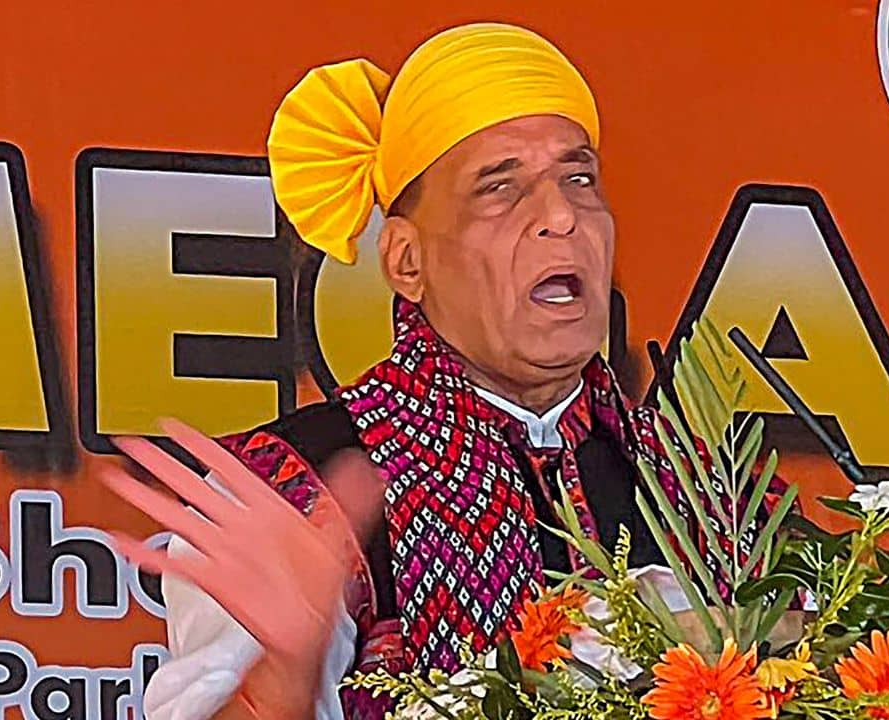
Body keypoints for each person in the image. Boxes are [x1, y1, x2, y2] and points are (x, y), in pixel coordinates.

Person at [101, 22, 780, 720]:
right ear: (406, 260)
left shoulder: (710, 490)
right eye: (500, 187)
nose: (561, 215)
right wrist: (279, 682)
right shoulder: (291, 494)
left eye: (579, 179)